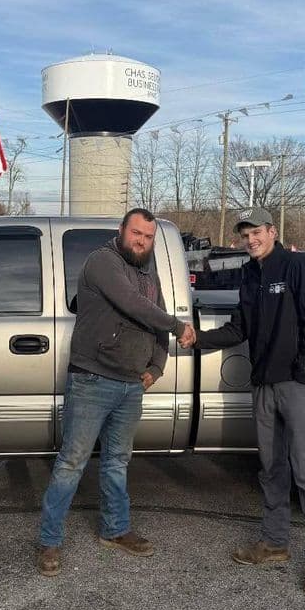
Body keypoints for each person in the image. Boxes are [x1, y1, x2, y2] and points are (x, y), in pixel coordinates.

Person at [182, 207, 305, 595]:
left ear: (272, 231)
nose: (250, 240)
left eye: (256, 233)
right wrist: (198, 338)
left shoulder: (296, 267)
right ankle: (274, 542)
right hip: (263, 385)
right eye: (244, 235)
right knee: (270, 467)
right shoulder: (250, 276)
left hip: (295, 386)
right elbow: (240, 329)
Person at [37, 208, 196, 577]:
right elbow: (134, 305)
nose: (141, 241)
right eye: (136, 233)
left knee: (116, 461)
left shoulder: (148, 271)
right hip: (92, 380)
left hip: (130, 385)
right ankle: (50, 541)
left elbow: (154, 315)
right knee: (72, 463)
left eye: (148, 237)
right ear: (122, 230)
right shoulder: (101, 262)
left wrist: (156, 367)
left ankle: (115, 530)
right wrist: (177, 327)